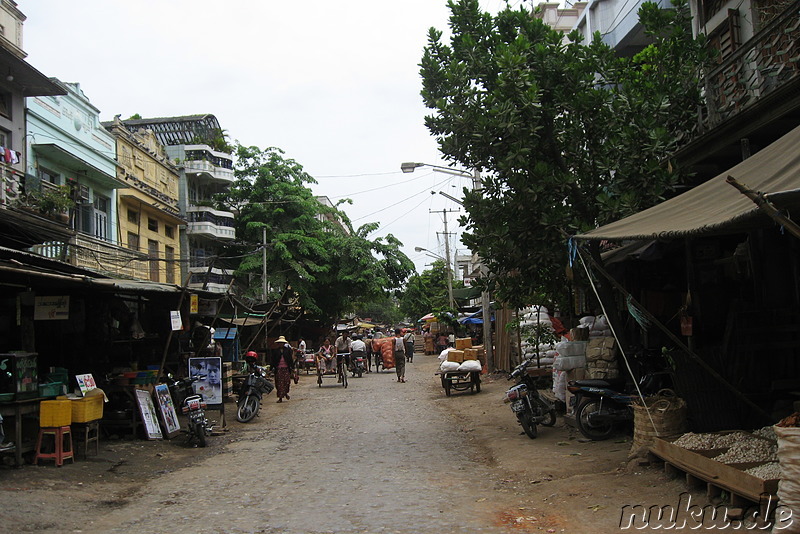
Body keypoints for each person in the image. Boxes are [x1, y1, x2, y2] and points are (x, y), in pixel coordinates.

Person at [271, 335, 295, 402]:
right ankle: (280, 397)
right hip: (278, 369)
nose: (281, 344)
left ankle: (285, 393)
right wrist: (271, 368)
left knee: (287, 382)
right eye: (280, 343)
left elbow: (290, 360)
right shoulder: (275, 351)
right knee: (279, 384)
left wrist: (293, 368)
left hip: (286, 368)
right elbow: (273, 360)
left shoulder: (287, 350)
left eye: (282, 343)